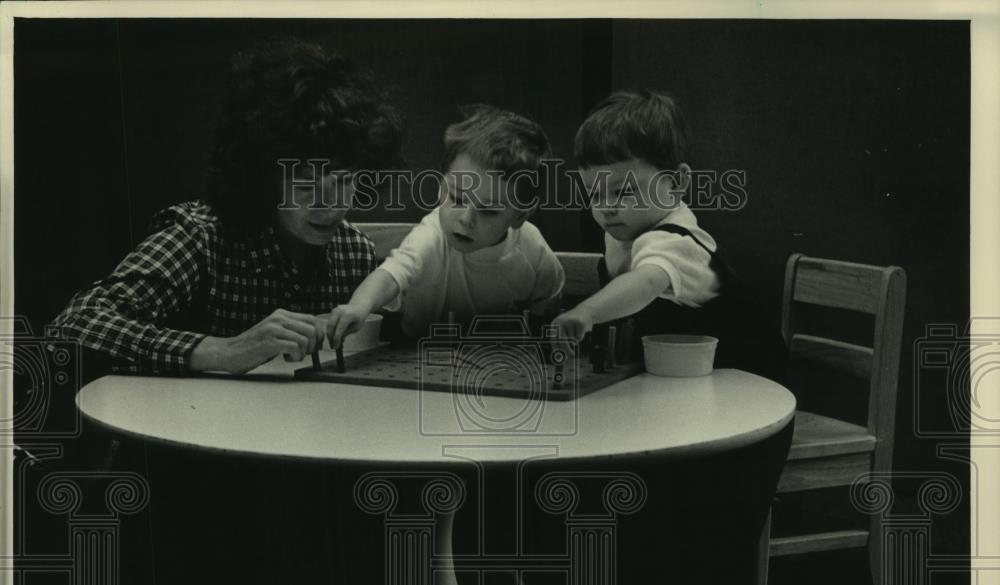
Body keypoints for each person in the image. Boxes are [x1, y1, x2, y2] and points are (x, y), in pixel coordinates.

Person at [50, 39, 402, 375]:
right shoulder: (200, 237)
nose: (330, 205)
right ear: (264, 175)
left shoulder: (353, 252)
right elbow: (75, 323)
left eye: (344, 179)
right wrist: (223, 350)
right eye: (304, 181)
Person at [553, 89, 786, 383]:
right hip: (682, 375)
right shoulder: (626, 226)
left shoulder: (677, 240)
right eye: (594, 194)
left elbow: (647, 282)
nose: (607, 207)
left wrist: (587, 311)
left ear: (677, 183)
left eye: (625, 191)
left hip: (745, 380)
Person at [325, 105, 564, 345]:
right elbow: (390, 275)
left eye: (489, 211)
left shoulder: (533, 250)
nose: (466, 219)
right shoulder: (430, 237)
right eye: (457, 198)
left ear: (519, 216)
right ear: (441, 187)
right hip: (415, 355)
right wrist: (358, 306)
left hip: (495, 360)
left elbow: (549, 304)